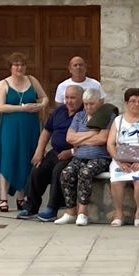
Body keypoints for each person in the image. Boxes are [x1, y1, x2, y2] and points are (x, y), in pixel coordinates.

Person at [0, 53, 42, 213]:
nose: (19, 68)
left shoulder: (32, 80)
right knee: (9, 157)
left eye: (22, 65)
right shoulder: (3, 84)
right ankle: (3, 197)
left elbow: (44, 98)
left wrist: (40, 106)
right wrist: (22, 108)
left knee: (26, 157)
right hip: (11, 126)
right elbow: (1, 107)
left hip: (30, 125)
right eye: (16, 65)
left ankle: (21, 197)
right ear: (11, 67)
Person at [54, 89, 112, 227]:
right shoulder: (79, 116)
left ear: (99, 103)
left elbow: (102, 139)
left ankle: (82, 212)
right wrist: (92, 134)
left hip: (100, 157)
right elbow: (69, 138)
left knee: (85, 173)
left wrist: (81, 138)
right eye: (86, 104)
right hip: (80, 156)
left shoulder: (107, 116)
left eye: (91, 104)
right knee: (66, 173)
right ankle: (70, 212)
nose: (88, 107)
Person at [105, 88, 139, 226]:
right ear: (126, 103)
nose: (136, 104)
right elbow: (110, 143)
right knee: (116, 181)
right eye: (133, 101)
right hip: (121, 158)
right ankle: (119, 212)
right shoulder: (118, 120)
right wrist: (119, 161)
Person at [25, 95, 78, 222]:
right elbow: (46, 131)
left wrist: (71, 152)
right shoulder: (59, 111)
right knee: (37, 170)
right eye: (67, 98)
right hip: (55, 152)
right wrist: (39, 151)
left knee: (58, 171)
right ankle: (31, 207)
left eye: (73, 98)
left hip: (73, 153)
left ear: (81, 99)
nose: (69, 101)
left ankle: (52, 209)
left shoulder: (83, 114)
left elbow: (88, 139)